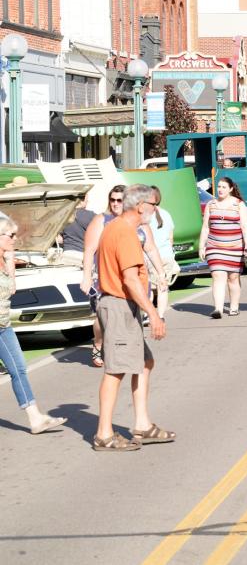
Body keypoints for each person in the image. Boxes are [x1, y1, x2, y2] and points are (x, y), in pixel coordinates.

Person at [93, 184, 171, 451]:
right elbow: (130, 280)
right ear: (140, 207)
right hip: (119, 306)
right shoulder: (124, 232)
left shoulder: (117, 228)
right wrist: (154, 315)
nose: (154, 209)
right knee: (115, 371)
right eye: (152, 204)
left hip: (120, 305)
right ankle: (104, 434)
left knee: (145, 362)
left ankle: (142, 424)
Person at [81, 185, 165, 367]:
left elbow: (150, 248)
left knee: (142, 357)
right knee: (103, 317)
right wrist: (86, 276)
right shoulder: (103, 221)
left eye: (120, 200)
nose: (116, 203)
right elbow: (89, 250)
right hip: (109, 277)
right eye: (113, 200)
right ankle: (99, 341)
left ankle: (118, 348)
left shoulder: (139, 223)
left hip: (133, 275)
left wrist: (161, 273)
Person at [0, 215, 67, 434]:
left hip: (4, 325)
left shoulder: (4, 258)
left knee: (19, 368)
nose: (13, 239)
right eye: (10, 235)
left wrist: (9, 259)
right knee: (17, 369)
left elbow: (12, 289)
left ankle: (35, 418)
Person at [199, 177, 247, 318]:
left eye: (223, 187)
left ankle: (234, 307)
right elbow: (205, 227)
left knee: (233, 278)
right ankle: (218, 309)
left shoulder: (239, 204)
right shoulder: (211, 204)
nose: (220, 189)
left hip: (235, 247)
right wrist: (201, 246)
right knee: (217, 275)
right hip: (215, 246)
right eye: (219, 187)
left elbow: (245, 227)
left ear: (231, 189)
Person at [146, 186, 177, 319]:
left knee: (149, 288)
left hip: (151, 257)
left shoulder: (144, 215)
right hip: (166, 255)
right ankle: (161, 315)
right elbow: (171, 238)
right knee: (162, 287)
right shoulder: (166, 214)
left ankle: (149, 314)